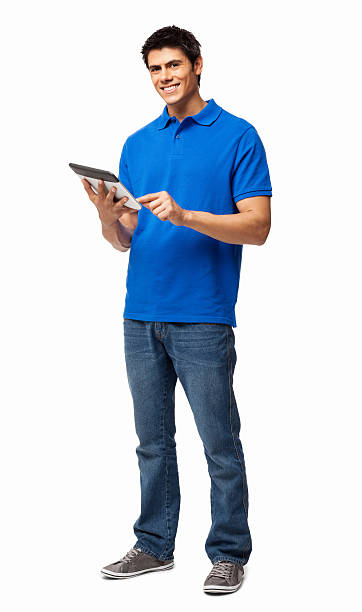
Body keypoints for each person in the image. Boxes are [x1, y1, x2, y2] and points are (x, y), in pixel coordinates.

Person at [82, 25, 272, 595]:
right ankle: (154, 545)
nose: (165, 77)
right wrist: (105, 213)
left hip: (204, 314)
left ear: (197, 65)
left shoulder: (238, 135)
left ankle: (228, 552)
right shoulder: (137, 143)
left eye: (173, 65)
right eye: (155, 69)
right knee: (152, 440)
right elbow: (127, 239)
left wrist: (188, 215)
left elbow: (258, 227)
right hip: (140, 313)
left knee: (219, 439)